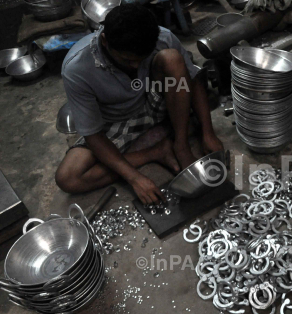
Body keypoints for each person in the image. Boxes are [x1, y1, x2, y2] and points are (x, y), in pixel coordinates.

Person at [55, 4, 223, 205]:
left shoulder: (162, 37)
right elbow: (93, 134)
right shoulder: (77, 68)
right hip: (114, 121)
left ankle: (180, 144)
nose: (135, 66)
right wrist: (134, 177)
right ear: (105, 41)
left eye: (141, 60)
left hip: (156, 100)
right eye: (127, 60)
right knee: (69, 179)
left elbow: (192, 81)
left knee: (172, 59)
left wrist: (208, 133)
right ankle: (156, 151)